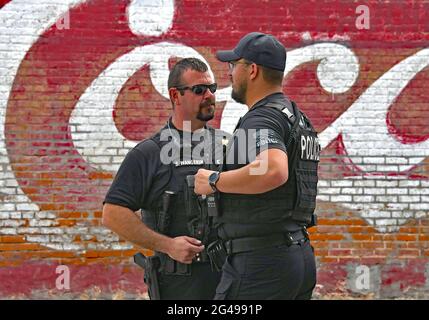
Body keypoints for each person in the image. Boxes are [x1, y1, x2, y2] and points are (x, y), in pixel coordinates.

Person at [194, 32, 320, 300]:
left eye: (233, 65)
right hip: (296, 256)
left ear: (252, 70)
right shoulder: (297, 118)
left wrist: (214, 180)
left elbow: (274, 170)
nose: (229, 74)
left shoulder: (262, 118)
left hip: (262, 265)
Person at [103, 57, 228, 300]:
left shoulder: (228, 145)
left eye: (212, 88)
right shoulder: (149, 153)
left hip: (229, 280)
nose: (209, 96)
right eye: (199, 90)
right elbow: (113, 213)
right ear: (175, 95)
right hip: (179, 285)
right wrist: (168, 245)